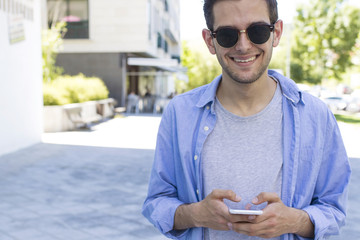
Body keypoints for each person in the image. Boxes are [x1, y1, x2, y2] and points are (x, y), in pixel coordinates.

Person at [142, 0, 351, 239]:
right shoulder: (179, 113)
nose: (243, 46)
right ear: (210, 41)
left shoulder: (316, 116)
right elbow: (156, 202)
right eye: (227, 35)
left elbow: (334, 210)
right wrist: (196, 214)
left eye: (257, 31)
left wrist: (293, 221)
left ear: (277, 33)